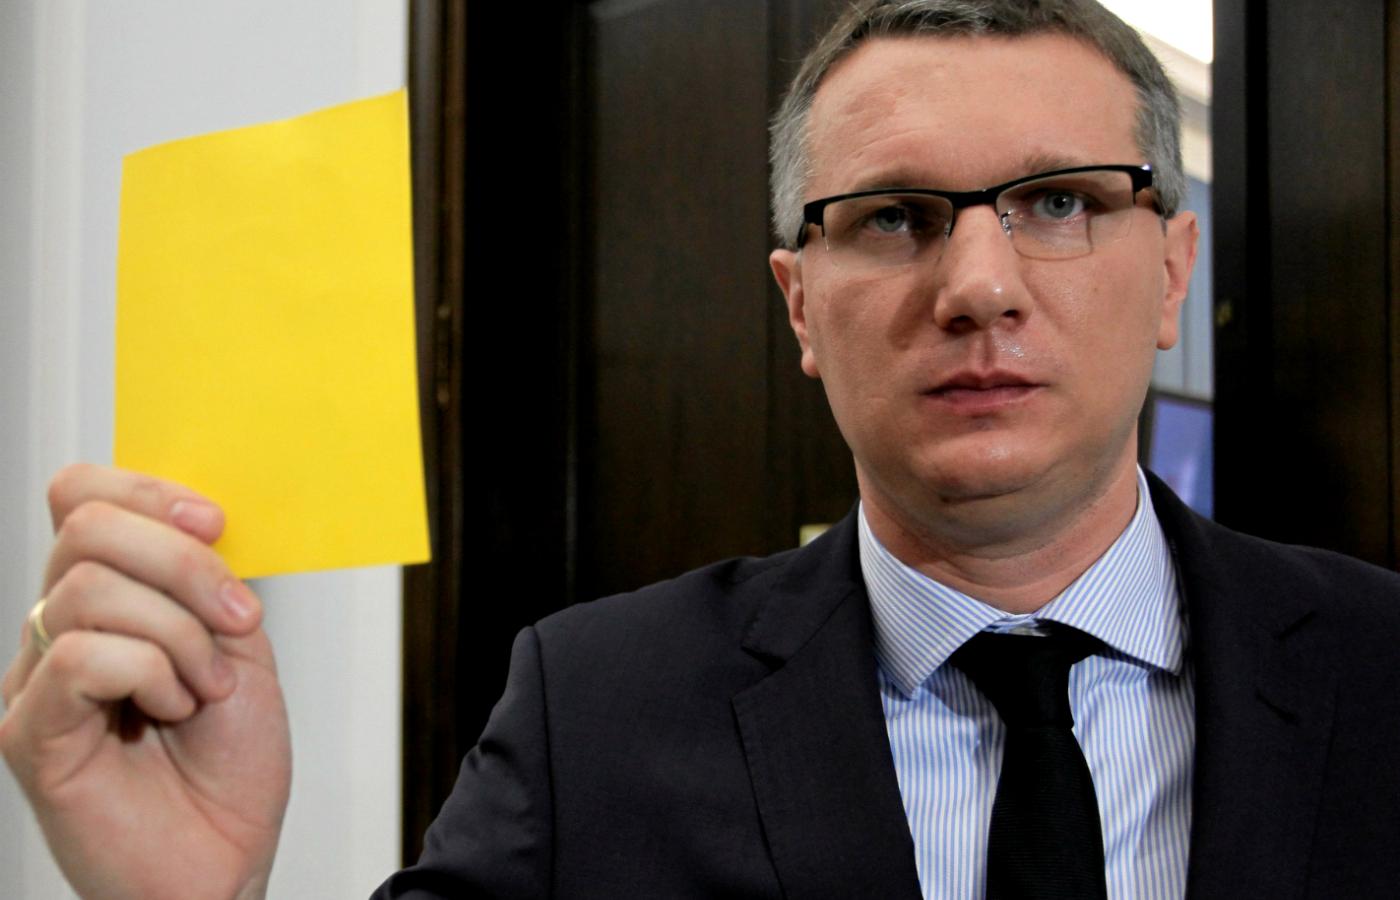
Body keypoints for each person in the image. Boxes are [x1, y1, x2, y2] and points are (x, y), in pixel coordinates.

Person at [5, 0, 1400, 897]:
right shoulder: (591, 710)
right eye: (895, 217)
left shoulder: (1384, 671)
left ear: (1173, 274)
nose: (979, 285)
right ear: (800, 307)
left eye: (1058, 203)